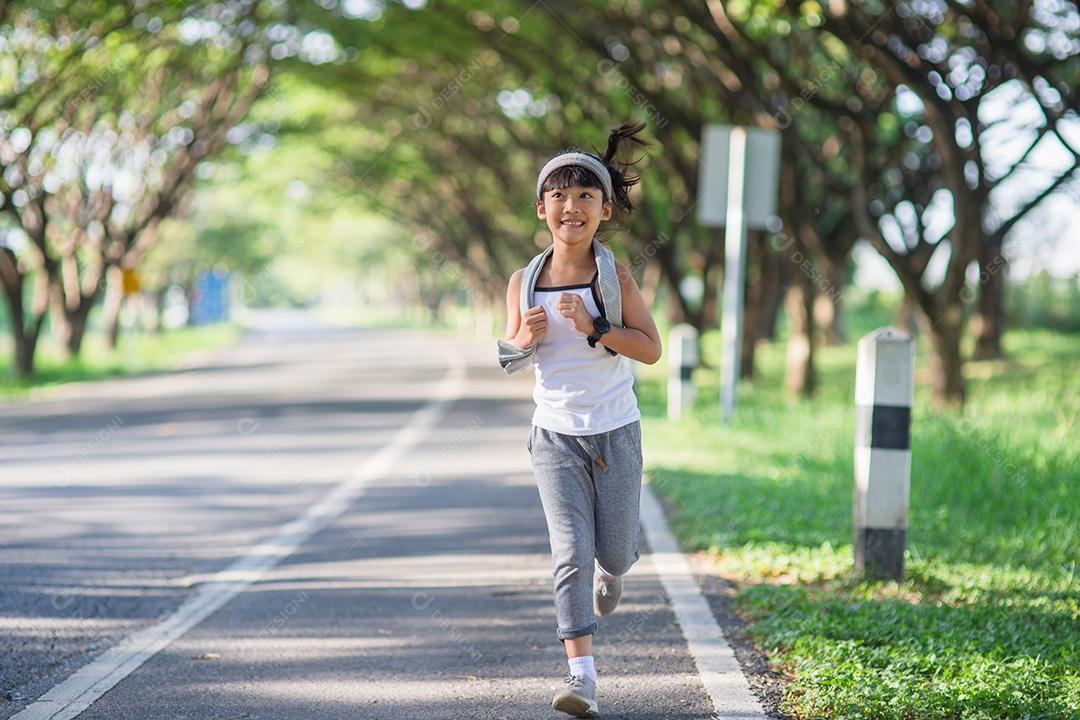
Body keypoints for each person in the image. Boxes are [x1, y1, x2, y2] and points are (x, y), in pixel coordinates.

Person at [498, 121, 662, 717]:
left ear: (605, 208)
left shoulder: (613, 276)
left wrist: (597, 327)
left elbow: (650, 348)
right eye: (560, 197)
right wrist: (524, 334)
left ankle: (610, 572)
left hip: (616, 429)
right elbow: (509, 356)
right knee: (569, 551)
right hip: (554, 437)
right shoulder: (525, 281)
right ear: (542, 209)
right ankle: (581, 676)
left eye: (585, 196)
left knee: (613, 554)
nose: (572, 207)